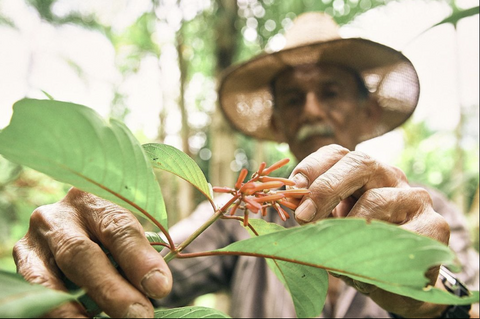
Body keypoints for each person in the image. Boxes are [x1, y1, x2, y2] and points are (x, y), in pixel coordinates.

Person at [12, 12, 478, 318]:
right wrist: (81, 250)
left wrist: (437, 298)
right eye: (294, 98)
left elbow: (470, 302)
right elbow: (152, 269)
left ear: (369, 112)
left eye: (331, 93)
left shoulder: (425, 212)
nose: (312, 110)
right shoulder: (238, 213)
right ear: (279, 123)